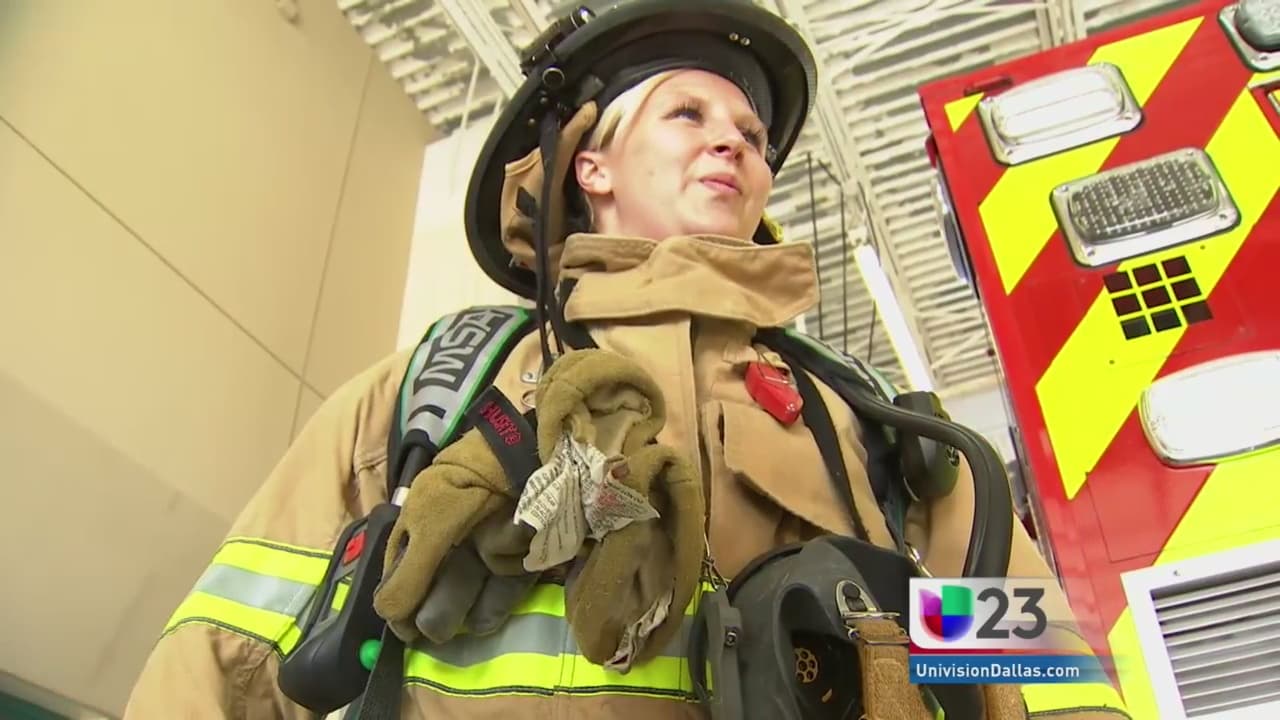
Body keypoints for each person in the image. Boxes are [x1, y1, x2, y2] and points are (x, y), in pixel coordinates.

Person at [123, 1, 1131, 718]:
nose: (733, 143)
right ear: (589, 166)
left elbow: (1033, 666)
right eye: (687, 115)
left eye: (749, 131)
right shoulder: (439, 387)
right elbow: (231, 653)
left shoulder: (859, 420)